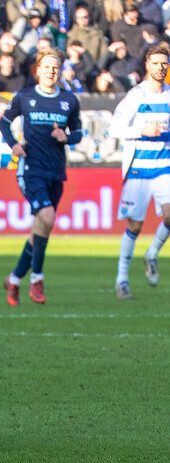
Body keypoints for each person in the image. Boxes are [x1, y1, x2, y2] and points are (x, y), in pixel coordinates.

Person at [0, 48, 82, 306]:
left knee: (40, 230)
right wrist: (13, 143)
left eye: (55, 67)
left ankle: (13, 280)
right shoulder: (24, 97)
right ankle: (36, 279)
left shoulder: (69, 100)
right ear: (37, 70)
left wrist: (67, 137)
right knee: (47, 217)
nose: (51, 71)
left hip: (56, 171)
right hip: (30, 168)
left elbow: (78, 132)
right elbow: (3, 122)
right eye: (46, 67)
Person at [108, 44, 170, 299]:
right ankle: (122, 279)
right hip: (139, 168)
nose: (160, 67)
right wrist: (141, 131)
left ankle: (152, 253)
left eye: (164, 63)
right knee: (135, 224)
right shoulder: (137, 95)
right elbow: (114, 129)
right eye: (155, 63)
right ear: (147, 65)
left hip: (164, 166)